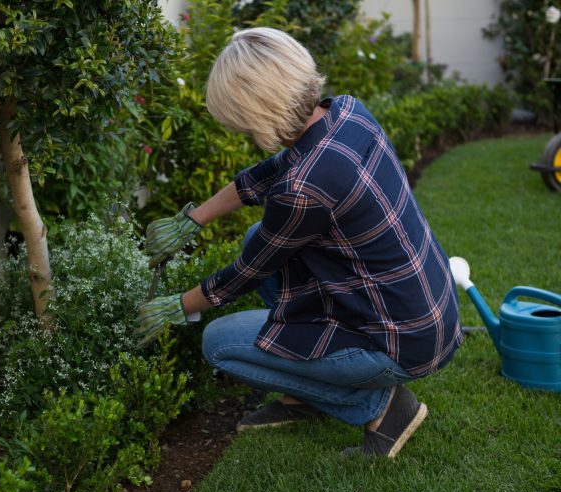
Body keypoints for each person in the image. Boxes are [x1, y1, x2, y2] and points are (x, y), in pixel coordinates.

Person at [134, 27, 462, 458]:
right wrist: (191, 220)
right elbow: (271, 171)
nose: (240, 131)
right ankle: (308, 394)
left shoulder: (303, 190)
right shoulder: (346, 112)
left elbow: (248, 272)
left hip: (400, 342)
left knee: (219, 343)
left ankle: (382, 407)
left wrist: (177, 306)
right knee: (255, 236)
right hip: (425, 313)